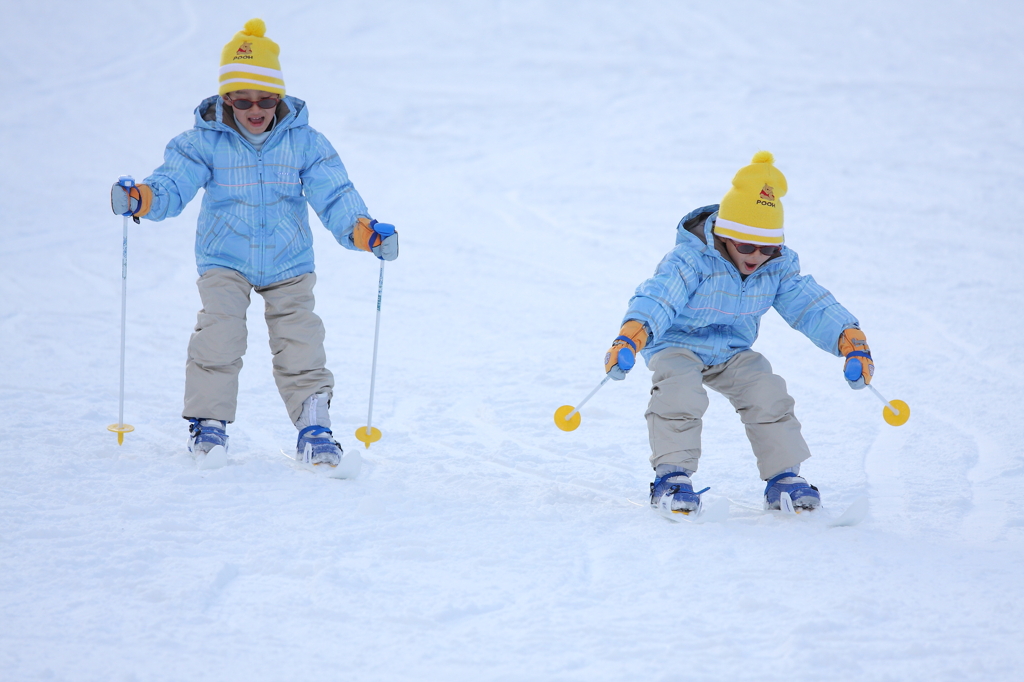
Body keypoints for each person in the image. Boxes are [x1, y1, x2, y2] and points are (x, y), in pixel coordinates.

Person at [110, 18, 398, 469]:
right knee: (220, 335)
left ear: (279, 98)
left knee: (300, 336)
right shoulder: (203, 142)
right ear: (226, 99)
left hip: (289, 260)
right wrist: (143, 199)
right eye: (243, 100)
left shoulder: (304, 143)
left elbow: (335, 194)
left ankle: (314, 423)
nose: (255, 109)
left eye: (266, 99)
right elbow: (172, 183)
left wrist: (362, 230)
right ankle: (208, 422)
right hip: (225, 259)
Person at [603, 152, 872, 513]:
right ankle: (672, 477)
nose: (756, 255)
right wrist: (634, 335)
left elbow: (810, 304)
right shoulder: (691, 260)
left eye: (767, 247)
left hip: (731, 350)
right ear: (726, 235)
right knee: (679, 394)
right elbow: (659, 296)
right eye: (747, 245)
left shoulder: (776, 267)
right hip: (677, 344)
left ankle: (784, 479)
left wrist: (848, 338)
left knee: (767, 390)